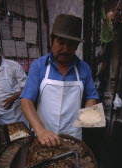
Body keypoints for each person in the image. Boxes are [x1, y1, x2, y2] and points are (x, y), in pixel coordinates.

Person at [20, 14, 99, 146]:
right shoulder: (39, 65)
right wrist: (40, 131)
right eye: (61, 43)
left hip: (72, 135)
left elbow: (91, 96)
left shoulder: (84, 68)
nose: (65, 49)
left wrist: (88, 119)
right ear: (52, 41)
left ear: (78, 45)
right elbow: (26, 100)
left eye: (71, 45)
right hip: (43, 134)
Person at [0, 38, 29, 127]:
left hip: (18, 115)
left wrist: (13, 98)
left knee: (23, 136)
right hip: (1, 117)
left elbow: (27, 88)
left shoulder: (13, 66)